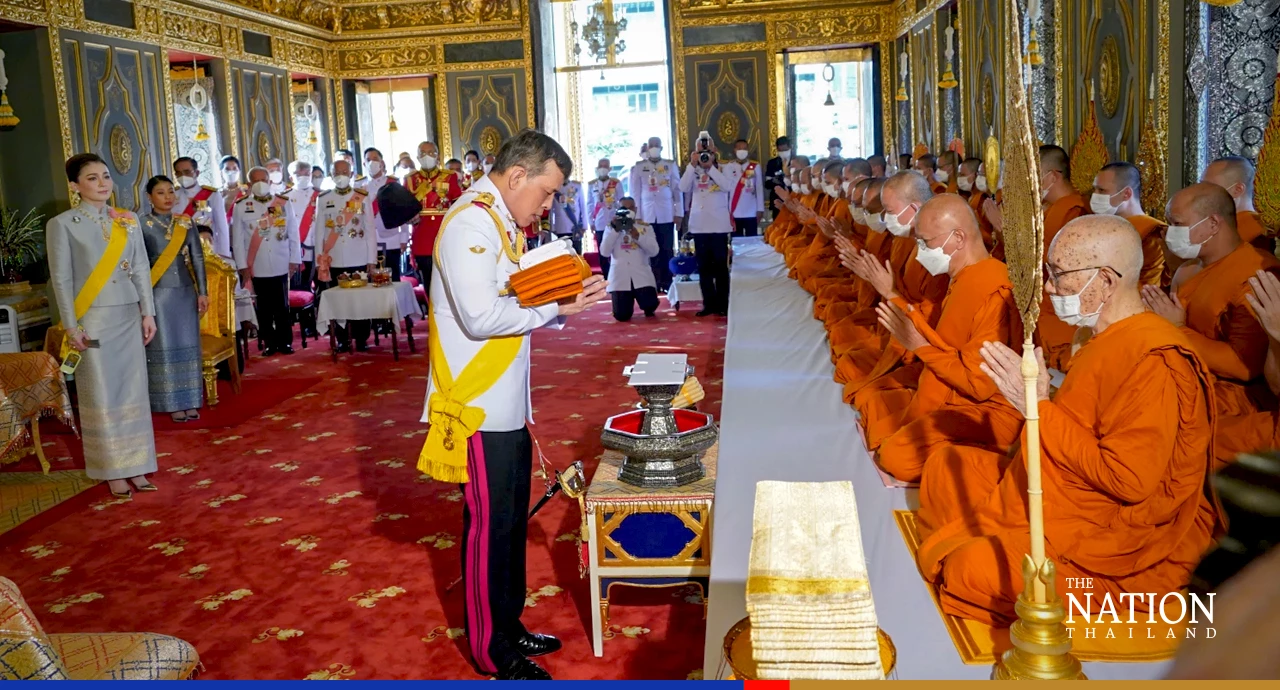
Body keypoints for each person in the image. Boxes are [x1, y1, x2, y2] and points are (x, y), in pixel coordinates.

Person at [916, 215, 1223, 626]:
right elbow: (1083, 417)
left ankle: (1011, 557)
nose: (1048, 287)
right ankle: (1003, 537)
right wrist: (1039, 402)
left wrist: (1038, 406)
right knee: (944, 467)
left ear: (1107, 281)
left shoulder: (1156, 362)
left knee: (970, 568)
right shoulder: (1100, 336)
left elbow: (1128, 482)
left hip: (1110, 534)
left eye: (1059, 274)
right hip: (1062, 485)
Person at [419, 129, 607, 680]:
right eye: (546, 192)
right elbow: (481, 319)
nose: (548, 205)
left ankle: (508, 624)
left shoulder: (499, 219)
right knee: (488, 527)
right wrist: (558, 309)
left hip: (504, 402)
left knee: (509, 523)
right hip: (475, 406)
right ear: (518, 175)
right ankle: (487, 647)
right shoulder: (471, 222)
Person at [860, 194, 1021, 484]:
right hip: (949, 389)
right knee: (874, 408)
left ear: (958, 238)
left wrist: (919, 346)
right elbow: (943, 340)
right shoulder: (961, 277)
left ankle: (997, 453)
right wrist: (894, 298)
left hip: (988, 410)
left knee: (897, 456)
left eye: (925, 242)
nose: (920, 251)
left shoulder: (993, 288)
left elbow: (979, 385)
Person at [1144, 183, 1280, 468]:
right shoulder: (1188, 268)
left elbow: (1242, 366)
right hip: (1187, 372)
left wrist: (1178, 330)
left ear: (1214, 223)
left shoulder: (1255, 274)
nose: (1169, 232)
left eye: (1177, 224)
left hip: (1233, 393)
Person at [47, 153, 158, 497]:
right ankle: (112, 471)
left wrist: (148, 312)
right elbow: (61, 280)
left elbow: (140, 268)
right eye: (92, 178)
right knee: (103, 394)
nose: (102, 183)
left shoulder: (127, 221)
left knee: (134, 391)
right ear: (75, 186)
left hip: (127, 317)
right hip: (92, 324)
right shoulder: (62, 224)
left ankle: (138, 465)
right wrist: (70, 326)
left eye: (106, 176)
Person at [987, 145, 1090, 371]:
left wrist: (1003, 230)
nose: (1028, 183)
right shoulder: (1049, 209)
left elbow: (1047, 263)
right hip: (1038, 301)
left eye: (1033, 176)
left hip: (1058, 305)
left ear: (1052, 176)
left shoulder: (1074, 211)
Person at [139, 175, 209, 422]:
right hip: (158, 293)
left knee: (189, 346)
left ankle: (190, 400)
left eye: (171, 191)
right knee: (166, 346)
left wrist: (203, 291)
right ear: (149, 197)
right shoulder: (140, 224)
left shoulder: (185, 222)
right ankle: (170, 401)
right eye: (161, 192)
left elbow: (198, 258)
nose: (168, 197)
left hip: (185, 292)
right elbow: (138, 264)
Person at [232, 167, 300, 356]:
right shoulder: (241, 206)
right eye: (256, 180)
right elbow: (237, 240)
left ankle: (285, 342)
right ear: (249, 184)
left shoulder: (283, 202)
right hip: (257, 264)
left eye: (264, 179)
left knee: (282, 307)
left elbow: (293, 231)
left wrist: (295, 258)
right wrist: (242, 266)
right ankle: (269, 342)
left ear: (270, 181)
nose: (261, 183)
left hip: (280, 261)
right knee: (263, 308)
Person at [313, 159, 376, 352]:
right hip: (334, 258)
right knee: (338, 301)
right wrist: (319, 259)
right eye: (336, 172)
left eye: (344, 171)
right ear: (331, 175)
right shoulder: (323, 199)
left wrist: (371, 259)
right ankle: (342, 339)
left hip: (357, 255)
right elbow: (319, 231)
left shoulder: (361, 197)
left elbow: (370, 229)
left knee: (360, 301)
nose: (341, 175)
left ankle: (362, 338)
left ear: (351, 174)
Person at [679, 138, 732, 317]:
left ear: (714, 150)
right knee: (703, 268)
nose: (704, 154)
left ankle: (724, 304)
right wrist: (692, 165)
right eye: (701, 151)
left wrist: (711, 168)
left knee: (721, 268)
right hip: (700, 226)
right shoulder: (693, 170)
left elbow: (727, 186)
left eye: (707, 150)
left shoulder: (724, 168)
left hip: (718, 225)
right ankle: (709, 304)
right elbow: (683, 187)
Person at [1091, 162, 1165, 286]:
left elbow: (1147, 284)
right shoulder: (1101, 227)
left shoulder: (1151, 232)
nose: (1095, 195)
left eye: (1102, 190)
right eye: (1094, 189)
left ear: (1126, 194)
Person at [405, 141, 463, 290]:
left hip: (445, 236)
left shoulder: (449, 177)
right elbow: (404, 209)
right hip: (422, 239)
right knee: (429, 282)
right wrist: (409, 217)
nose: (427, 156)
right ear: (417, 157)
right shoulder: (411, 180)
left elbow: (459, 207)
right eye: (423, 153)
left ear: (438, 156)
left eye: (431, 153)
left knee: (448, 284)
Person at [630, 136, 683, 292]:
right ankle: (653, 281)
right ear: (647, 148)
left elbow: (677, 190)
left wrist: (678, 213)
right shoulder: (639, 167)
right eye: (651, 145)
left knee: (666, 248)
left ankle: (667, 282)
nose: (654, 148)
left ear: (661, 147)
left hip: (666, 213)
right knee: (649, 249)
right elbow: (635, 192)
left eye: (656, 145)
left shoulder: (669, 165)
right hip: (647, 215)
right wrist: (637, 216)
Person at [601, 200, 659, 322]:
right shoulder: (610, 228)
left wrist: (638, 236)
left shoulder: (645, 227)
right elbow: (604, 252)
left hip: (641, 275)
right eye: (624, 208)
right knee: (621, 316)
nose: (628, 212)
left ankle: (648, 302)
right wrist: (615, 231)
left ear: (636, 209)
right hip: (620, 277)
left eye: (631, 208)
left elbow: (654, 251)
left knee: (650, 306)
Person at [1201, 156, 1273, 254]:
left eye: (1210, 187)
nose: (1201, 193)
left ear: (1238, 190)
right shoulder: (1211, 226)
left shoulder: (1261, 233)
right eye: (1202, 186)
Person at [356, 147, 405, 281]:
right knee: (370, 279)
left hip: (390, 238)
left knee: (392, 278)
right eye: (368, 160)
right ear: (364, 164)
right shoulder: (358, 185)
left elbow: (402, 212)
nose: (372, 162)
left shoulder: (393, 183)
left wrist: (403, 238)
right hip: (366, 238)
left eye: (375, 159)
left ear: (382, 162)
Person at [172, 157, 231, 260]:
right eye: (179, 173)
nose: (183, 176)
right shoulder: (173, 196)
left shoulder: (212, 195)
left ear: (197, 173)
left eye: (187, 172)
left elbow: (221, 227)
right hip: (182, 250)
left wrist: (224, 255)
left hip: (207, 248)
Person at [285, 159, 320, 292]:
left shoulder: (321, 195)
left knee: (320, 288)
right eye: (298, 174)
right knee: (297, 288)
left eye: (306, 174)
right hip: (295, 251)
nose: (303, 177)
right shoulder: (283, 198)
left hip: (317, 249)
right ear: (290, 177)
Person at [723, 139, 765, 238]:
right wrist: (725, 210)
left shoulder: (755, 166)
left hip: (751, 210)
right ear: (734, 150)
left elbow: (759, 188)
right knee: (736, 241)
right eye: (739, 148)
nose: (742, 151)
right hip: (734, 209)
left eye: (745, 148)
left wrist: (760, 209)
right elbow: (725, 191)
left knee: (752, 240)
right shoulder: (728, 167)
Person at [588, 157, 621, 279]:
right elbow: (589, 204)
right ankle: (606, 276)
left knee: (615, 248)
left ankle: (616, 274)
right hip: (599, 221)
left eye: (605, 166)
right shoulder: (592, 184)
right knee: (602, 250)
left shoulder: (616, 183)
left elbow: (621, 201)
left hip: (613, 221)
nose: (602, 169)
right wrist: (590, 221)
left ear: (610, 168)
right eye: (600, 166)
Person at [550, 176, 586, 255]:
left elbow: (583, 207)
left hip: (575, 227)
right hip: (560, 228)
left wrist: (584, 226)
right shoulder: (555, 187)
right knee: (563, 255)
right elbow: (551, 209)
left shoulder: (577, 186)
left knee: (577, 254)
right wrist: (552, 227)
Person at [764, 136, 792, 212]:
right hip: (777, 200)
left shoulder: (797, 161)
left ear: (790, 147)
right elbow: (767, 183)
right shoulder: (772, 163)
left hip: (793, 199)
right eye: (780, 150)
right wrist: (776, 181)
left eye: (785, 150)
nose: (783, 152)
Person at [219, 154, 248, 223]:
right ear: (221, 172)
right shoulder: (218, 193)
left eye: (234, 168)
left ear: (239, 171)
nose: (231, 172)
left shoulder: (246, 191)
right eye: (227, 169)